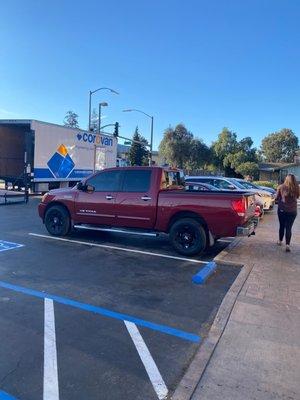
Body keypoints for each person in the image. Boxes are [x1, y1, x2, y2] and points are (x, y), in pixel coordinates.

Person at [276, 174, 299, 252]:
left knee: (282, 226)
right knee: (289, 227)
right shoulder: (297, 188)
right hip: (293, 211)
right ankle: (287, 245)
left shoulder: (281, 187)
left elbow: (276, 197)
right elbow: (298, 197)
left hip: (282, 210)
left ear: (286, 179)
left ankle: (280, 241)